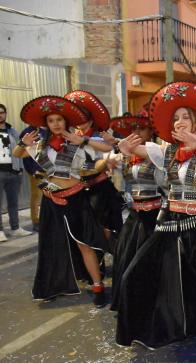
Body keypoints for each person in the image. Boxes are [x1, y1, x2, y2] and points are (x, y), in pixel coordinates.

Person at [115, 81, 196, 349]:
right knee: (137, 272)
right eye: (176, 118)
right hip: (170, 221)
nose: (180, 122)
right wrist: (124, 149)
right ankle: (159, 325)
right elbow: (135, 150)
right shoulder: (166, 152)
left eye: (186, 117)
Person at [14, 96, 108, 306]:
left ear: (66, 121)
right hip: (50, 200)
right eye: (51, 120)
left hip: (75, 199)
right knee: (51, 244)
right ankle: (54, 285)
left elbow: (106, 149)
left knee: (83, 244)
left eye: (59, 119)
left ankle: (97, 284)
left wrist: (82, 140)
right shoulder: (40, 145)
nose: (56, 124)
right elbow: (17, 152)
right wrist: (23, 143)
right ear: (46, 124)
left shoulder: (77, 140)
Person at [108, 114, 165, 312]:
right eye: (133, 129)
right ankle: (128, 304)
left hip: (156, 216)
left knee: (148, 264)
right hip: (134, 215)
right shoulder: (126, 155)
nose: (136, 133)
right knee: (124, 258)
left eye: (142, 129)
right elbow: (117, 183)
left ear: (151, 131)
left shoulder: (159, 152)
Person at [64, 90, 124, 248]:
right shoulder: (71, 139)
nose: (79, 122)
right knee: (87, 232)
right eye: (77, 119)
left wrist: (84, 140)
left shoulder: (98, 138)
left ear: (91, 120)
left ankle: (117, 260)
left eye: (83, 119)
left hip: (100, 190)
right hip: (80, 191)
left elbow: (106, 151)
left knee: (106, 228)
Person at [0, 103, 31, 241]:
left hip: (13, 172)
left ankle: (15, 228)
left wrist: (19, 169)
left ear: (5, 114)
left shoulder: (12, 131)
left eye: (2, 112)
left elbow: (20, 151)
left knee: (13, 202)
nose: (0, 115)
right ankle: (0, 231)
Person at [19, 125, 45, 232]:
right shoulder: (27, 132)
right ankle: (36, 221)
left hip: (49, 168)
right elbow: (24, 154)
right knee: (36, 196)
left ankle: (47, 218)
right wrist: (33, 170)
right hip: (36, 170)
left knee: (49, 196)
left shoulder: (45, 131)